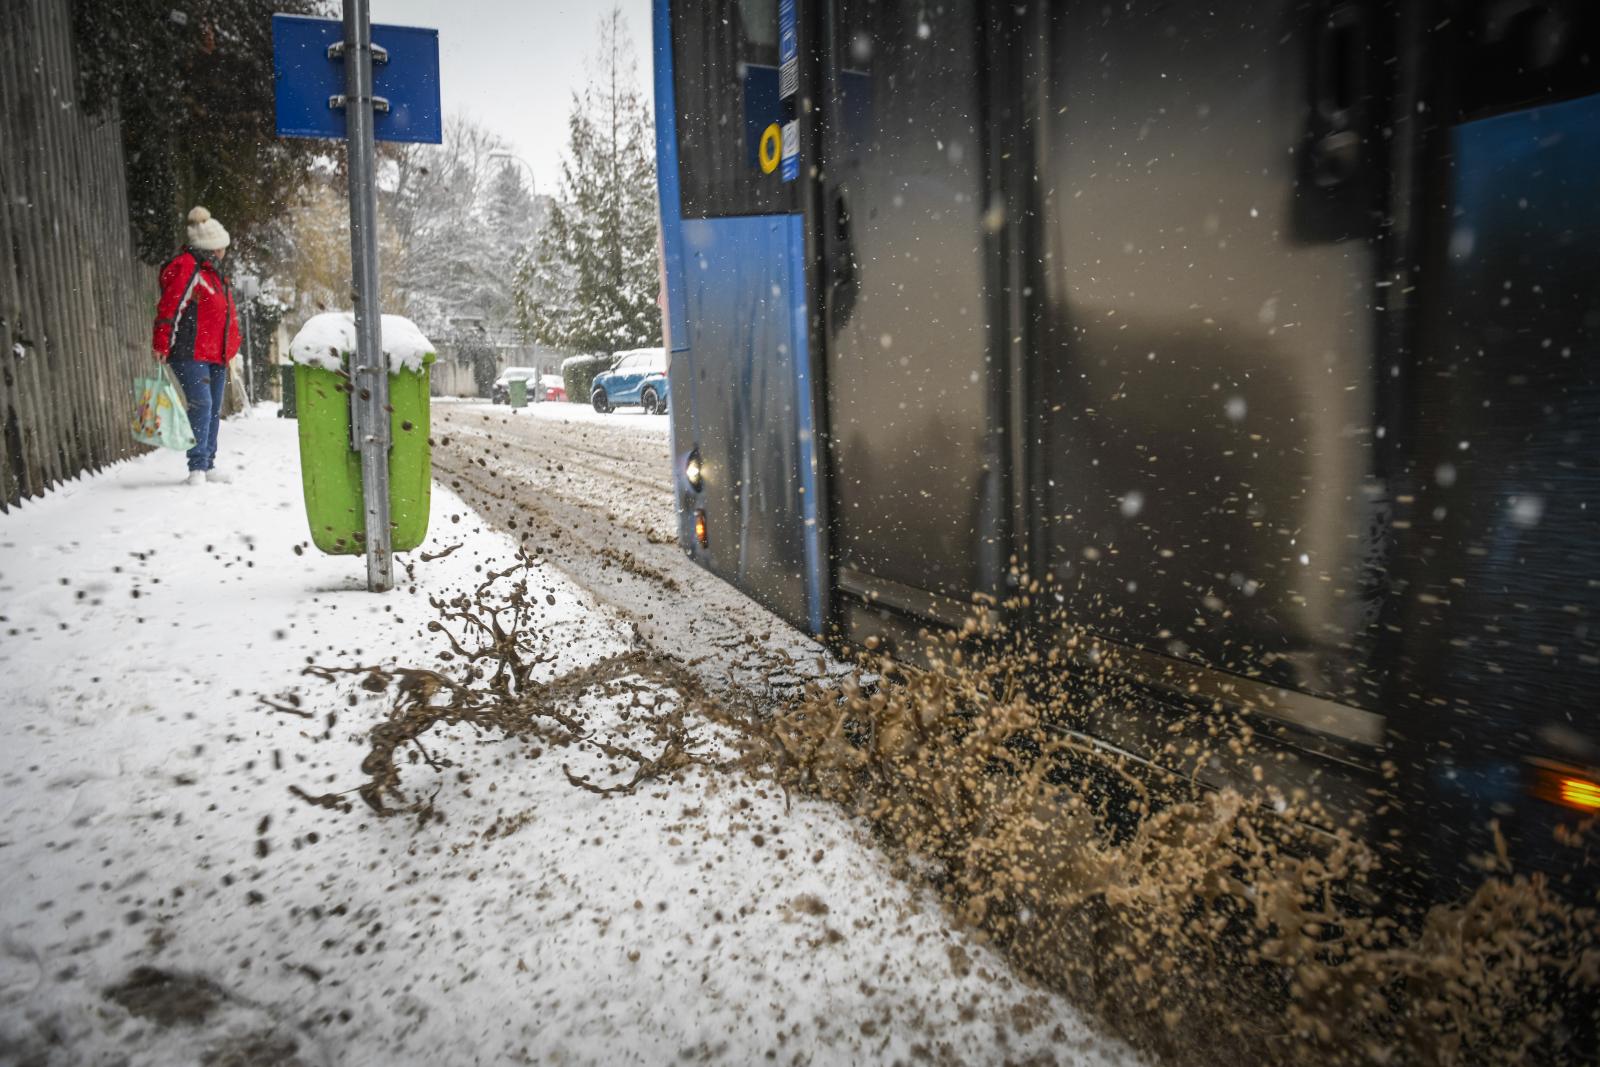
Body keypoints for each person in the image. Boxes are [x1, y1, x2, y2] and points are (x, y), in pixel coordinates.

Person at [151, 206, 241, 485]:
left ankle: (208, 463)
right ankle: (197, 467)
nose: (225, 251)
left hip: (215, 354)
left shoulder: (213, 273)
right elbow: (171, 305)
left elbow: (224, 315)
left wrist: (230, 350)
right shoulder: (189, 267)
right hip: (190, 352)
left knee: (212, 408)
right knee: (202, 404)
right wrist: (162, 342)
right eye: (222, 246)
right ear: (213, 246)